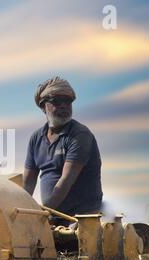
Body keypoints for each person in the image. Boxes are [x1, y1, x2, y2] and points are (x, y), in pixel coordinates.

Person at [23, 76, 102, 226]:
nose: (64, 106)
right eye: (57, 101)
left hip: (81, 219)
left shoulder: (79, 135)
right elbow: (27, 185)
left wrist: (43, 214)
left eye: (68, 101)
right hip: (53, 216)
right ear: (43, 106)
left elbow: (65, 181)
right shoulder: (36, 138)